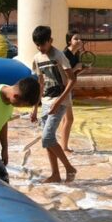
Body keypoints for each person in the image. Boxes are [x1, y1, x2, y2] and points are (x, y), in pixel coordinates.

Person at [30, 26, 77, 183]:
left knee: (47, 137)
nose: (40, 48)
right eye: (37, 45)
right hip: (45, 102)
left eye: (42, 44)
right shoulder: (37, 58)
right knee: (47, 141)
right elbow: (40, 83)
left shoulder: (59, 56)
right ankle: (55, 174)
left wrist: (59, 101)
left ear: (50, 41)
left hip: (60, 101)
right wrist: (34, 108)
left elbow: (72, 79)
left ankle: (69, 168)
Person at [58, 31, 86, 154]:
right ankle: (63, 147)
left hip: (67, 87)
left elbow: (73, 75)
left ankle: (62, 145)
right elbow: (63, 74)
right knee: (69, 119)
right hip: (62, 88)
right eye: (76, 38)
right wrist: (76, 68)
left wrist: (82, 70)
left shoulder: (75, 54)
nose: (79, 41)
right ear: (69, 41)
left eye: (80, 38)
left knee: (65, 119)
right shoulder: (65, 55)